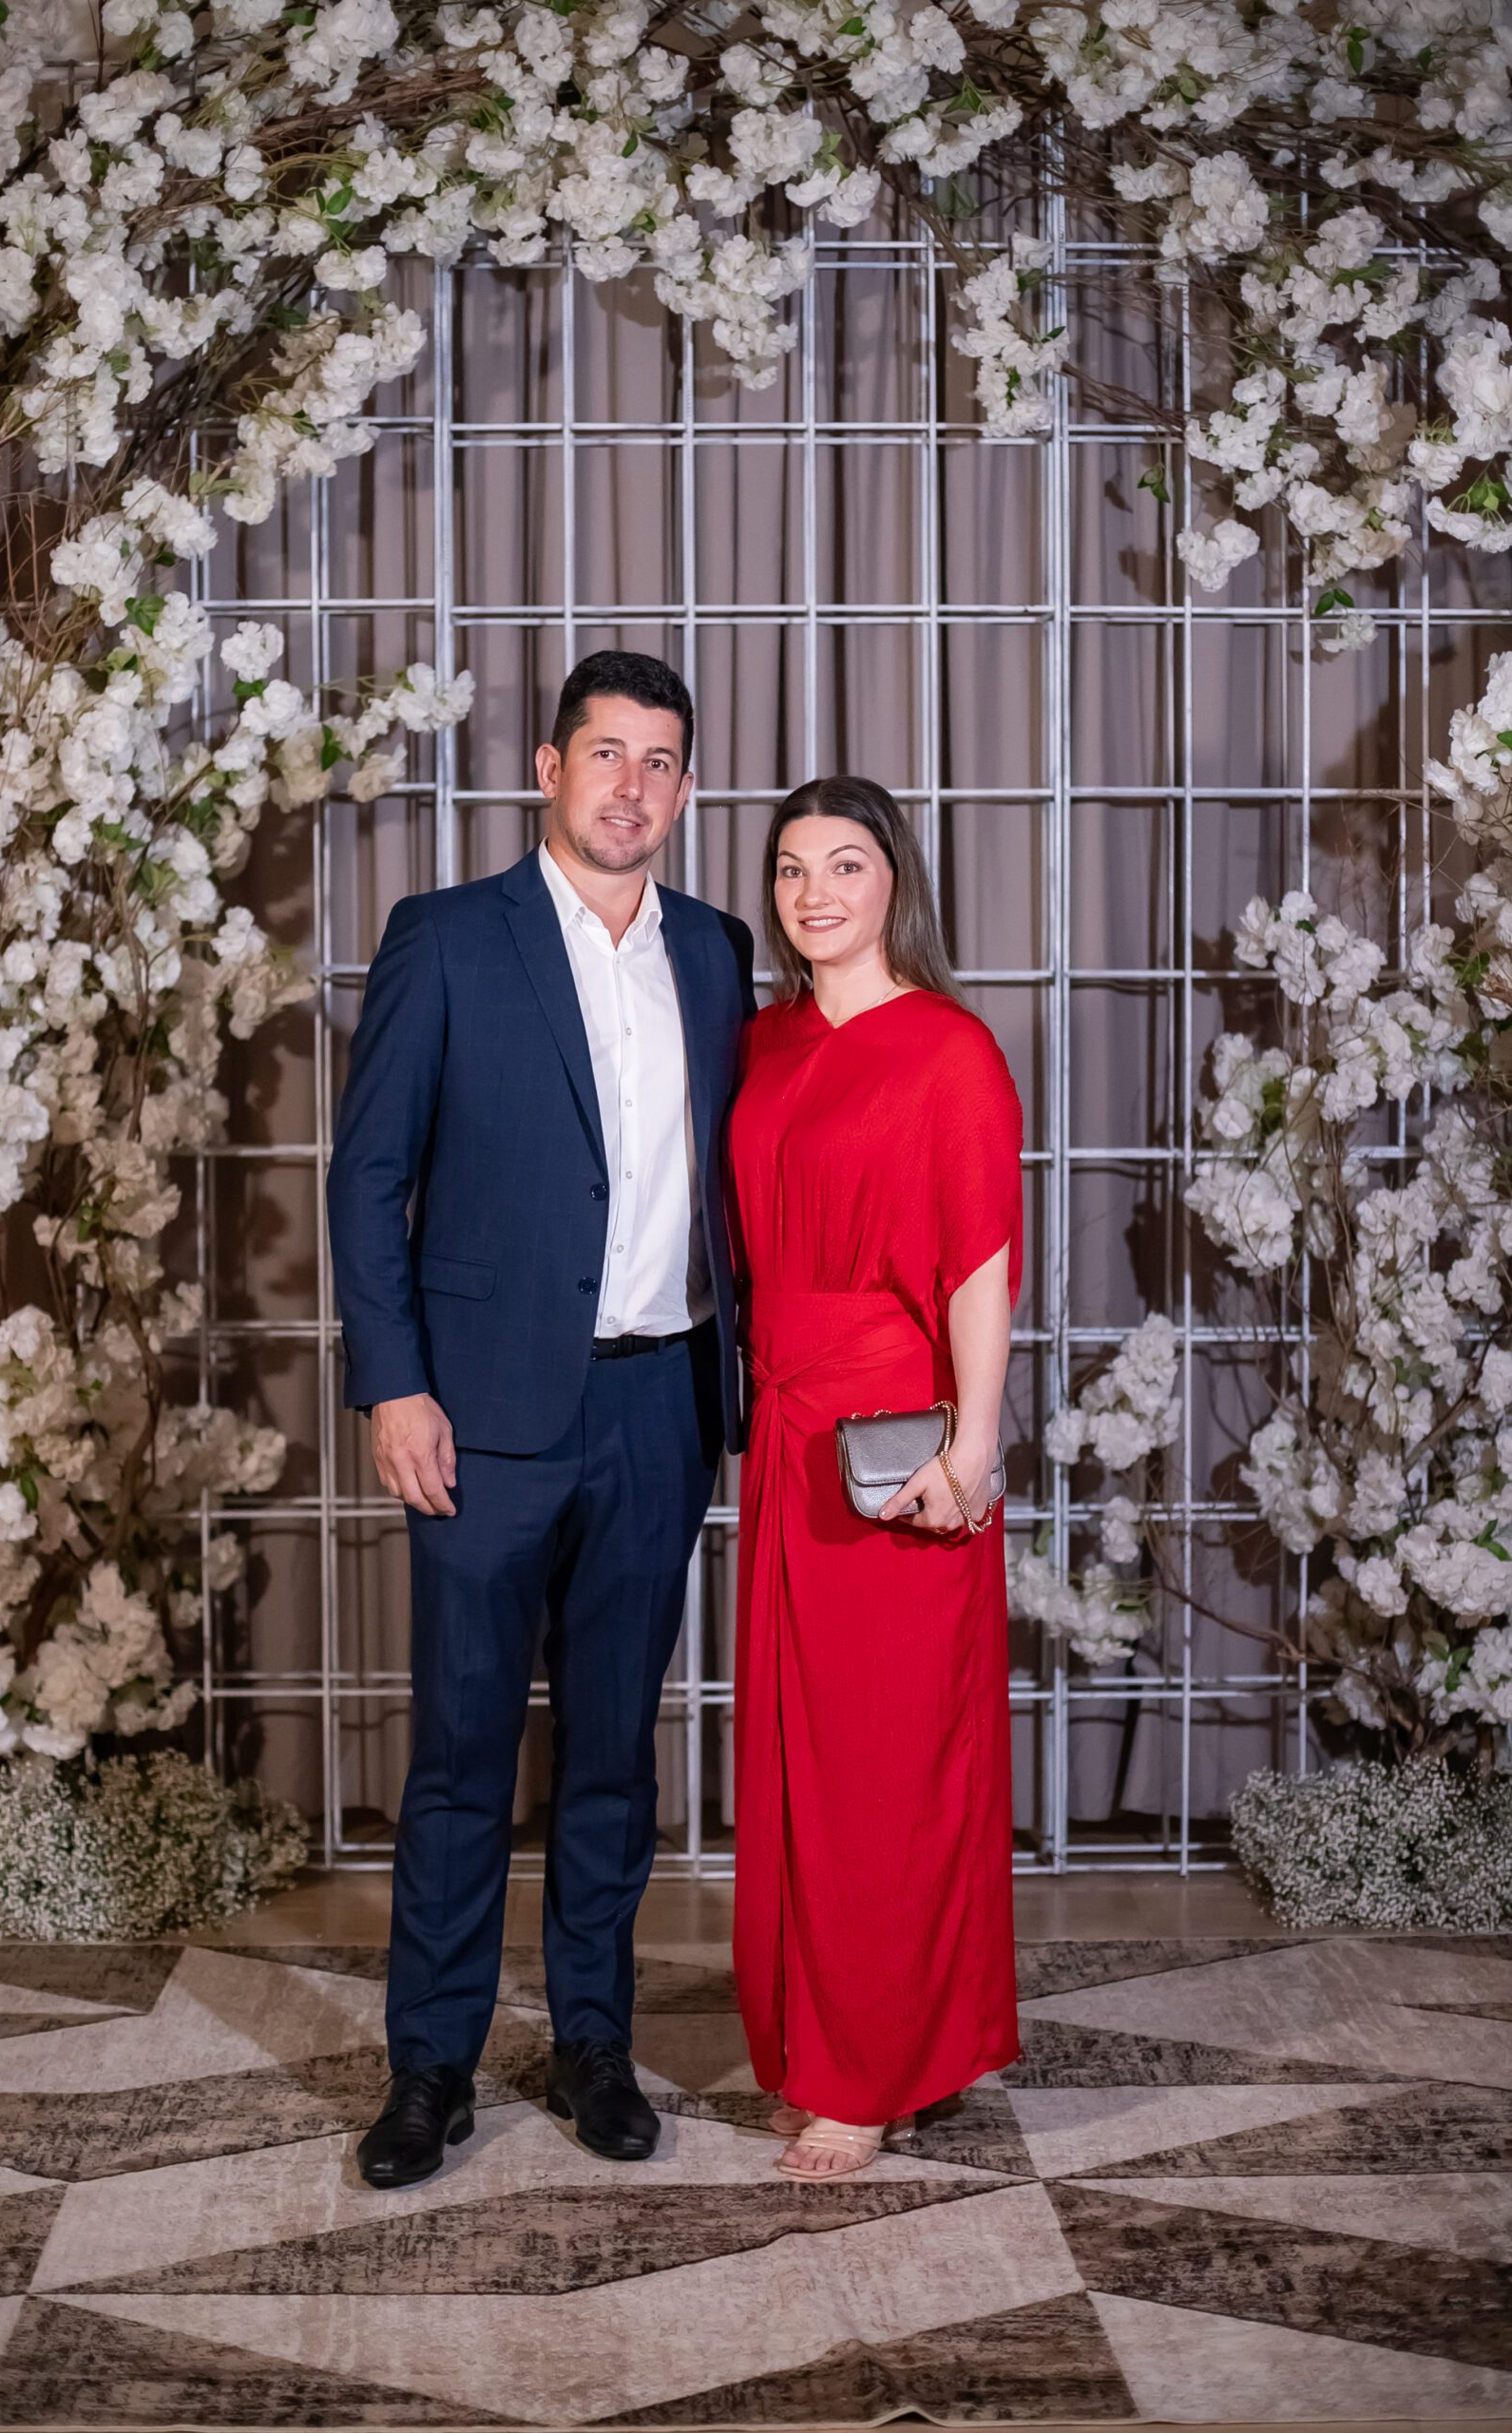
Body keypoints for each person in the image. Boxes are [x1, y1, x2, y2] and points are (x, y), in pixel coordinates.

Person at [327, 650, 756, 2189]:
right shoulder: (448, 938)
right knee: (461, 1754)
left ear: (685, 790)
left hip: (660, 1405)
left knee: (612, 1754)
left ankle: (592, 2045)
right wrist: (395, 1383)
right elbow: (369, 1178)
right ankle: (430, 2068)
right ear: (550, 771)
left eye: (660, 761)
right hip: (481, 1415)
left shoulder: (716, 951)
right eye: (607, 754)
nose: (631, 785)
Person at [724, 774, 1024, 2181]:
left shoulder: (952, 1051)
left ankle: (872, 2071)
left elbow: (978, 1264)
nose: (814, 893)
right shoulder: (767, 1040)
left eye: (845, 863)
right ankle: (829, 2043)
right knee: (801, 1764)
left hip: (896, 1449)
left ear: (896, 878)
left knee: (890, 1771)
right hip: (786, 1433)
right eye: (791, 868)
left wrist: (973, 1447)